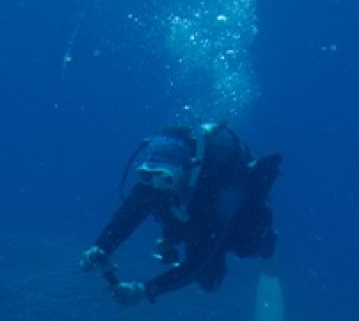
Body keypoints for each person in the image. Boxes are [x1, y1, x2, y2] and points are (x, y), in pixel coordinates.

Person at [79, 122, 281, 306]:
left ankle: (268, 246)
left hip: (226, 218)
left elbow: (196, 264)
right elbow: (129, 214)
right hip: (192, 213)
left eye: (166, 179)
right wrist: (102, 247)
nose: (156, 186)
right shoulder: (155, 181)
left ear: (186, 171)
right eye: (148, 176)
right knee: (204, 272)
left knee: (217, 270)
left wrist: (145, 290)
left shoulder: (214, 196)